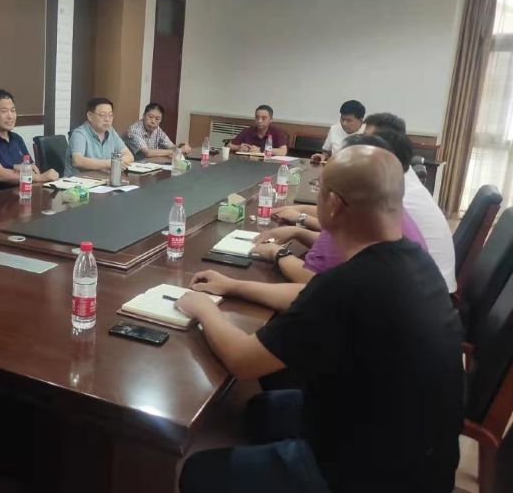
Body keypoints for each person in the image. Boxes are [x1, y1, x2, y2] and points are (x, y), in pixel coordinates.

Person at [176, 145, 464, 493]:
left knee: (197, 472)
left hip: (369, 476)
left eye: (318, 190)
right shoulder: (415, 260)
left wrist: (204, 308)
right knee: (259, 412)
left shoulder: (349, 283)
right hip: (422, 454)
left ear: (334, 204)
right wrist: (234, 285)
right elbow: (310, 296)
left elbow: (243, 360)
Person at [259, 134, 427, 284]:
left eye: (320, 187)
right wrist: (298, 231)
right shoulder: (384, 207)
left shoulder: (348, 223)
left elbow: (312, 282)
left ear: (334, 202)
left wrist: (277, 253)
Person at [353, 112, 457, 292]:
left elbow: (348, 231)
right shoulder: (401, 174)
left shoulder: (392, 192)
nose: (360, 146)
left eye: (368, 142)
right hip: (429, 285)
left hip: (423, 292)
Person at [0, 89, 58, 195]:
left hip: (21, 196)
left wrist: (19, 169)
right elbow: (1, 175)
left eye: (13, 110)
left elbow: (32, 168)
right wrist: (38, 177)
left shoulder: (17, 139)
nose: (10, 116)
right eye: (4, 111)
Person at [64, 97, 134, 177]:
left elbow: (129, 156)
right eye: (103, 115)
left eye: (110, 115)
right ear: (90, 116)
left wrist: (116, 163)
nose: (107, 119)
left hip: (102, 180)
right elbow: (78, 161)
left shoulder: (111, 131)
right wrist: (109, 163)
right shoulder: (79, 134)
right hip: (78, 182)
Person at [124, 102, 191, 160]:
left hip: (150, 165)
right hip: (132, 166)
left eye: (157, 119)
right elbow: (148, 153)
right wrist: (177, 151)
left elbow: (171, 146)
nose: (153, 121)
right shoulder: (134, 131)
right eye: (150, 117)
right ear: (144, 116)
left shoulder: (157, 130)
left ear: (160, 120)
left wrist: (182, 147)